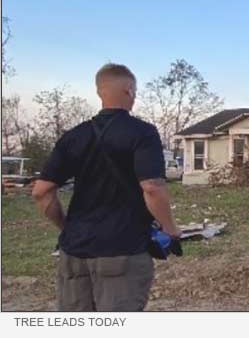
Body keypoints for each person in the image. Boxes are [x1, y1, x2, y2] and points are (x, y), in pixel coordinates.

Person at [32, 63, 181, 311]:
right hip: (123, 249)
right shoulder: (142, 133)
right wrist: (171, 228)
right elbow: (152, 187)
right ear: (129, 90)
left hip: (74, 252)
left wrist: (67, 227)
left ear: (100, 92)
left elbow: (41, 191)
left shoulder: (74, 136)